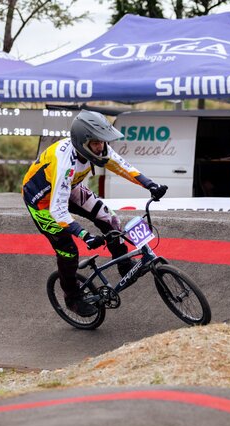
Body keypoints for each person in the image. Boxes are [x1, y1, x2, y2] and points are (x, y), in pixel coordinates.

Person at [22, 110, 167, 317]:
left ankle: (124, 263)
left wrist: (150, 185)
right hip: (42, 203)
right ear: (83, 142)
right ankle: (72, 298)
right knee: (68, 250)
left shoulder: (97, 148)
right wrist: (84, 235)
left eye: (103, 142)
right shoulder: (65, 163)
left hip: (70, 188)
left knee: (110, 218)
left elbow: (122, 166)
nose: (101, 147)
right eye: (96, 143)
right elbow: (57, 210)